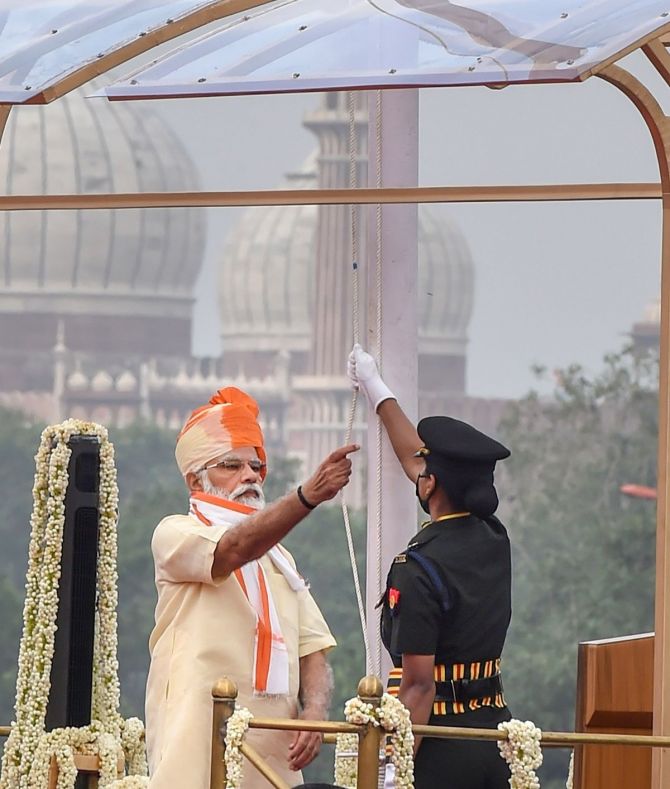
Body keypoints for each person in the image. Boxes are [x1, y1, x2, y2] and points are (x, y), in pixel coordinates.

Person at [145, 386, 359, 788]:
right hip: (199, 742)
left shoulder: (279, 557)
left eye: (256, 467)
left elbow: (313, 647)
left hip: (273, 757)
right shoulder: (175, 533)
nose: (249, 476)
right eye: (232, 465)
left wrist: (313, 713)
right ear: (196, 479)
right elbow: (235, 548)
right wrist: (306, 497)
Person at [348, 344, 512, 789]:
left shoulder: (417, 567)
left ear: (432, 482)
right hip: (494, 742)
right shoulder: (493, 538)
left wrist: (392, 769)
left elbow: (419, 687)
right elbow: (413, 460)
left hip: (438, 750)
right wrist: (377, 389)